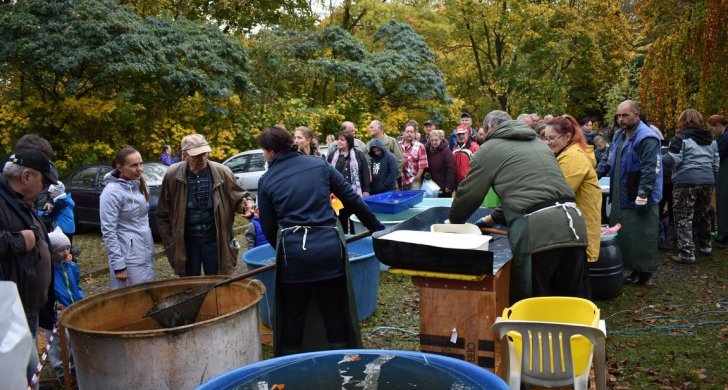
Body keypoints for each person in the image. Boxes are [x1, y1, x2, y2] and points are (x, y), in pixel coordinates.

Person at [256, 126, 383, 356]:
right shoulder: (319, 165)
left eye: (264, 151)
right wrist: (376, 227)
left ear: (272, 152)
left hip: (294, 258)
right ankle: (341, 365)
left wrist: (284, 252)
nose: (264, 155)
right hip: (328, 252)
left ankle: (294, 368)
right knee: (333, 311)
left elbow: (268, 226)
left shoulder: (266, 181)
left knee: (293, 316)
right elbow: (352, 199)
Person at [449, 110, 589, 303]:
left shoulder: (489, 149)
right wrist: (492, 218)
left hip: (539, 232)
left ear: (489, 127)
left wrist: (453, 222)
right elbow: (536, 193)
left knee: (532, 304)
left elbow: (469, 194)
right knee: (571, 302)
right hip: (574, 226)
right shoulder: (539, 144)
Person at [157, 134, 255, 276]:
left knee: (217, 284)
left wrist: (247, 205)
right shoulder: (173, 175)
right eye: (197, 155)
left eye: (204, 153)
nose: (202, 158)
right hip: (187, 243)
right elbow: (162, 214)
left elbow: (239, 197)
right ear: (185, 155)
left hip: (215, 240)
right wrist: (171, 245)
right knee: (190, 286)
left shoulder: (222, 172)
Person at [1, 148, 58, 387]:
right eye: (42, 182)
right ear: (26, 177)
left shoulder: (19, 201)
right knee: (18, 374)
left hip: (28, 305)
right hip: (10, 312)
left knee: (29, 370)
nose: (43, 189)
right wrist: (18, 242)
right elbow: (17, 240)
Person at [608, 100, 663, 285]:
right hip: (622, 191)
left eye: (625, 115)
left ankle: (644, 271)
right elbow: (610, 160)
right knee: (624, 232)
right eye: (618, 115)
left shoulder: (647, 137)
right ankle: (630, 267)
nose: (621, 119)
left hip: (640, 192)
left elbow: (650, 168)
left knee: (642, 233)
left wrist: (643, 194)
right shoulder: (619, 135)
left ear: (636, 115)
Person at [542, 116, 602, 263]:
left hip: (579, 232)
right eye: (545, 138)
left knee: (576, 279)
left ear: (567, 136)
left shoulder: (573, 158)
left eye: (552, 138)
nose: (547, 143)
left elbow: (557, 194)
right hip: (575, 230)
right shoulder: (566, 153)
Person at [663, 109, 719, 263]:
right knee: (703, 213)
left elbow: (672, 160)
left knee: (683, 216)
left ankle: (687, 253)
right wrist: (712, 180)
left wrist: (661, 158)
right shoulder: (711, 140)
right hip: (707, 181)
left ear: (683, 121)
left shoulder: (680, 138)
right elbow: (716, 163)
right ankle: (705, 246)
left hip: (686, 181)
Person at [100, 147, 156, 289]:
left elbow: (141, 222)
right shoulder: (112, 192)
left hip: (145, 253)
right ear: (120, 167)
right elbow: (108, 231)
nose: (139, 169)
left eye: (140, 164)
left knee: (147, 296)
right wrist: (119, 265)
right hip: (128, 257)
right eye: (134, 165)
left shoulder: (139, 185)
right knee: (131, 301)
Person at [44, 227, 83, 385]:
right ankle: (61, 370)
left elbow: (76, 285)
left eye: (67, 248)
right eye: (60, 250)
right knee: (58, 344)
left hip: (72, 308)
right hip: (56, 312)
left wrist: (80, 299)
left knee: (72, 339)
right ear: (51, 253)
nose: (65, 252)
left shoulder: (71, 266)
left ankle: (73, 367)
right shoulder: (49, 271)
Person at [328, 130, 371, 233]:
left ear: (349, 142)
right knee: (339, 219)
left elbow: (365, 172)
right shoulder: (332, 156)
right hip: (336, 196)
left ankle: (354, 239)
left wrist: (366, 189)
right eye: (338, 139)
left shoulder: (359, 155)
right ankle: (343, 241)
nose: (339, 142)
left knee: (354, 219)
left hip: (353, 194)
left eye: (342, 140)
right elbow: (328, 174)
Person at [707, 114, 728, 248]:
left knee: (724, 203)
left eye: (712, 130)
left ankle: (724, 236)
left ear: (719, 126)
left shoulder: (725, 138)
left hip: (725, 175)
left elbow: (717, 155)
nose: (712, 133)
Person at [424, 129, 455, 198]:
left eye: (436, 140)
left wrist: (449, 185)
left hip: (443, 185)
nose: (434, 142)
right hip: (431, 186)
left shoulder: (446, 151)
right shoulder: (426, 150)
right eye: (432, 140)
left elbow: (451, 169)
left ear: (440, 139)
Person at [399, 120, 428, 190]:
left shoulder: (420, 146)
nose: (409, 133)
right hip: (400, 181)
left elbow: (422, 165)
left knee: (414, 200)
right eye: (407, 132)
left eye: (411, 132)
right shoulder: (398, 145)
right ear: (404, 133)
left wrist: (417, 178)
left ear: (415, 134)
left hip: (414, 181)